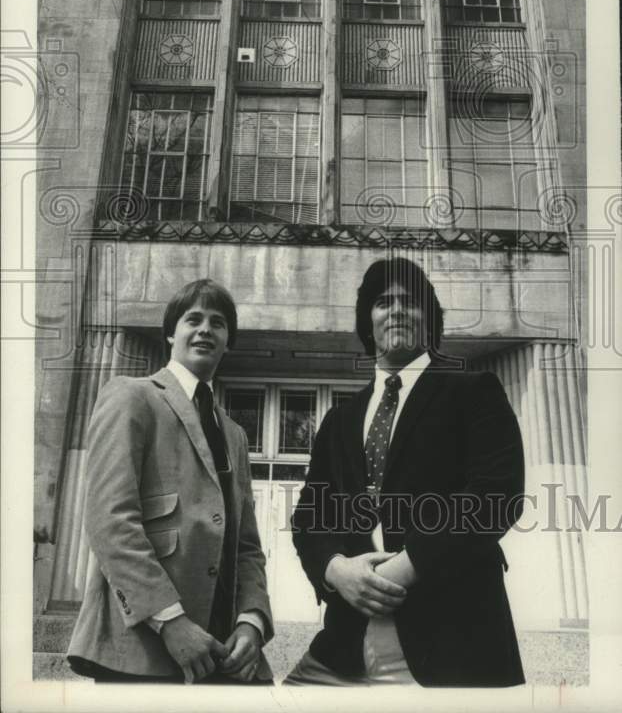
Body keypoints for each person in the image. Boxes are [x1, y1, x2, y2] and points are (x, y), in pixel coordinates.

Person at [286, 256, 525, 687]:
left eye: (410, 302)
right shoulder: (339, 420)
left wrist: (404, 567)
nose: (396, 310)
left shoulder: (473, 392)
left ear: (429, 322)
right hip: (343, 646)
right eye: (382, 302)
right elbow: (309, 517)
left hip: (452, 645)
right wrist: (335, 569)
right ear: (368, 322)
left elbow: (496, 496)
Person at [68, 278, 273, 684]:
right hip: (144, 650)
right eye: (192, 319)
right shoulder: (132, 396)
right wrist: (170, 621)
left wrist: (253, 620)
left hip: (225, 657)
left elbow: (247, 545)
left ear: (227, 340)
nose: (204, 330)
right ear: (170, 332)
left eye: (217, 323)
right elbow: (110, 521)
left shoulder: (234, 434)